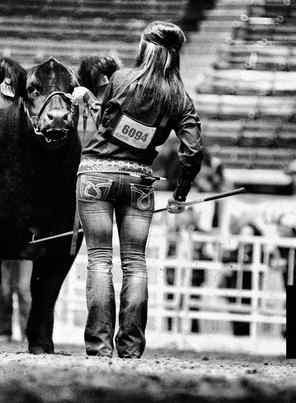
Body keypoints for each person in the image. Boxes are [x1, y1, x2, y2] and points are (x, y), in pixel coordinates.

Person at [72, 21, 203, 358]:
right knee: (135, 263)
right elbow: (192, 152)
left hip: (96, 175)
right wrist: (179, 196)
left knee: (99, 260)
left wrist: (90, 98)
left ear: (146, 47)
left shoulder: (119, 79)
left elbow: (107, 125)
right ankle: (130, 348)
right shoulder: (179, 98)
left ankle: (99, 348)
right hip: (140, 182)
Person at [0, 259, 32, 343]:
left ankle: (27, 332)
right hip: (5, 253)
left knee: (24, 290)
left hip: (26, 252)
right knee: (5, 291)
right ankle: (4, 332)